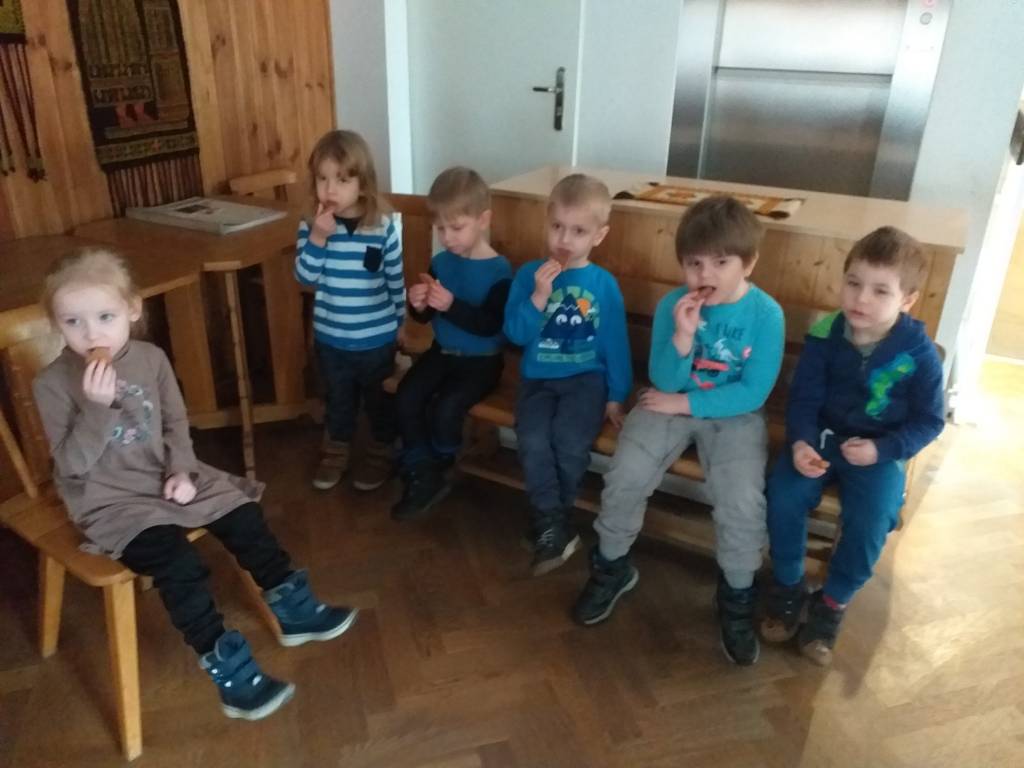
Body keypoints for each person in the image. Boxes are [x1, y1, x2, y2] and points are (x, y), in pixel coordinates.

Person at [33, 249, 356, 720]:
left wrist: (182, 470)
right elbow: (71, 466)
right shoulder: (52, 383)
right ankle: (229, 671)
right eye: (72, 322)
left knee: (243, 513)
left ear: (132, 309)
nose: (91, 334)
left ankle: (293, 608)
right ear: (56, 325)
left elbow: (175, 423)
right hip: (109, 500)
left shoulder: (151, 359)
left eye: (105, 317)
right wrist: (96, 408)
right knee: (178, 562)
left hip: (166, 474)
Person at [574, 196, 784, 668]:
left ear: (748, 263)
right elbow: (665, 378)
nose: (705, 274)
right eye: (694, 263)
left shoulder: (766, 314)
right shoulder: (675, 303)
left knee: (741, 500)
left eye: (721, 262)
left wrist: (686, 403)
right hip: (667, 402)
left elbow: (752, 392)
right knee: (625, 474)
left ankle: (736, 595)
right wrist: (683, 338)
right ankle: (612, 567)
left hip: (733, 413)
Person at [761, 226, 944, 666]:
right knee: (783, 495)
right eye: (854, 283)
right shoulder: (826, 335)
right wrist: (801, 443)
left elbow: (930, 420)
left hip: (879, 452)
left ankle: (832, 601)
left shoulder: (919, 354)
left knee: (873, 518)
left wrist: (884, 450)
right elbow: (804, 399)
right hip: (820, 442)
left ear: (907, 300)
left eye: (880, 291)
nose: (861, 299)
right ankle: (789, 585)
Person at [503, 174, 632, 575]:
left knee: (570, 441)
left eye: (578, 231)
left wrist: (617, 395)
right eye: (557, 226)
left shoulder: (603, 285)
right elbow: (515, 333)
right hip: (538, 380)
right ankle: (553, 522)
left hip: (586, 382)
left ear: (599, 235)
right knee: (532, 438)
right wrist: (538, 297)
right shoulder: (529, 276)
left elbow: (615, 343)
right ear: (546, 222)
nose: (564, 239)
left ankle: (551, 523)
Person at [393, 166, 512, 520]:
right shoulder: (441, 262)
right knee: (407, 395)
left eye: (456, 227)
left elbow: (492, 326)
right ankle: (420, 465)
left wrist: (451, 306)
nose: (446, 237)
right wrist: (419, 306)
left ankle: (440, 462)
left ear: (483, 220)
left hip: (482, 361)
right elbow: (426, 317)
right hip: (441, 353)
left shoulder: (499, 271)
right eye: (440, 228)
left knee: (447, 407)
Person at [295, 129, 405, 492]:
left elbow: (395, 279)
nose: (330, 189)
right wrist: (318, 238)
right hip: (331, 338)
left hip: (377, 338)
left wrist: (401, 323)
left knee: (378, 401)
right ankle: (336, 450)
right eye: (323, 179)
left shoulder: (383, 226)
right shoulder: (312, 226)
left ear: (362, 183)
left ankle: (381, 450)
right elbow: (305, 277)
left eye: (342, 180)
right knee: (338, 400)